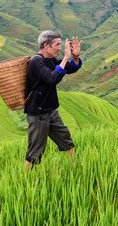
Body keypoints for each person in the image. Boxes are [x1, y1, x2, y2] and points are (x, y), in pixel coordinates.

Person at [24, 30, 82, 170]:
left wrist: (75, 57)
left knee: (65, 139)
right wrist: (64, 58)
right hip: (38, 113)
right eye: (57, 45)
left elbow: (69, 69)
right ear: (46, 45)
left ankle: (76, 168)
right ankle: (23, 179)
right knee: (36, 149)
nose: (60, 48)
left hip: (50, 110)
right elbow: (51, 78)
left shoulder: (50, 60)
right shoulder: (36, 62)